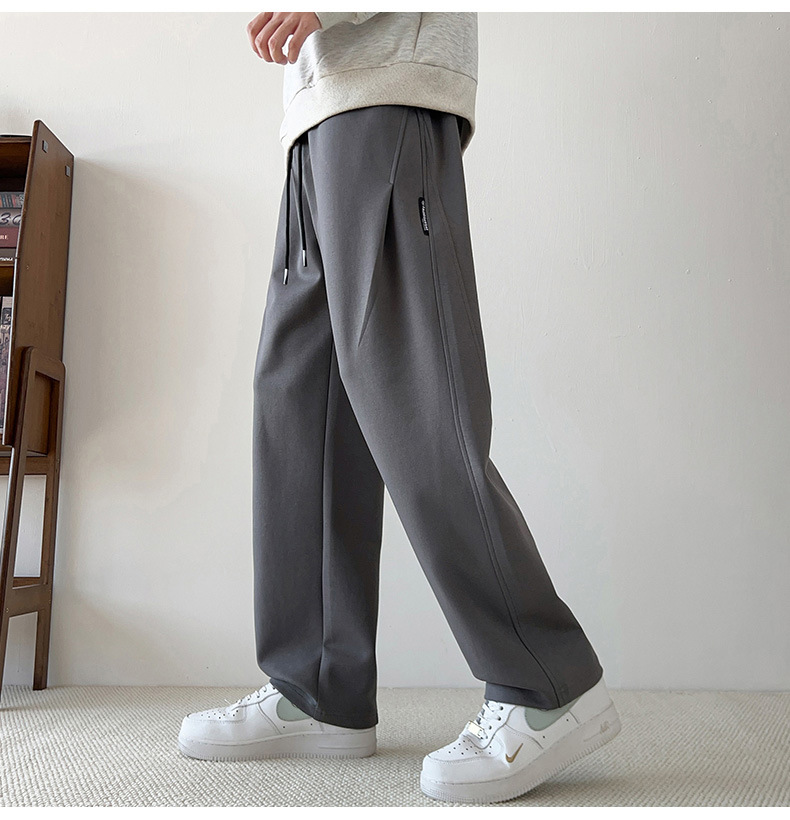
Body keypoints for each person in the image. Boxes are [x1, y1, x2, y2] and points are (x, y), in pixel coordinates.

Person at [178, 11, 620, 804]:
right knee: (298, 401)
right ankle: (319, 687)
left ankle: (547, 681)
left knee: (413, 397)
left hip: (385, 87)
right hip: (317, 107)